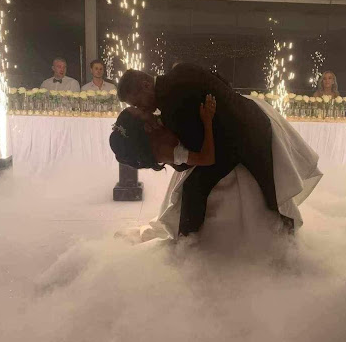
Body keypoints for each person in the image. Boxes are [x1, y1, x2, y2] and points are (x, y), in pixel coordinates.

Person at [115, 64, 322, 237]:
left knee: (195, 188)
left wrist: (177, 157)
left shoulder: (171, 106)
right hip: (249, 113)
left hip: (242, 137)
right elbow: (222, 80)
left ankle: (187, 243)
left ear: (146, 85)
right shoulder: (181, 69)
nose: (143, 108)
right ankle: (288, 229)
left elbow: (199, 153)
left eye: (138, 102)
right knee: (270, 187)